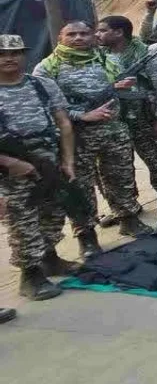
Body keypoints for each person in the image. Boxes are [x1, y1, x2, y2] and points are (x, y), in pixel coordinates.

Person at [0, 34, 96, 299]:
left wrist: (67, 161)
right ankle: (30, 276)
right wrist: (10, 162)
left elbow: (64, 123)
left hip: (48, 161)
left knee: (53, 213)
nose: (8, 58)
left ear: (24, 55)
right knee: (23, 220)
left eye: (15, 53)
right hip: (10, 170)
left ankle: (49, 259)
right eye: (2, 54)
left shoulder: (42, 84)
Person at [34, 22, 151, 238]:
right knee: (80, 185)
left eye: (84, 33)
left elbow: (113, 89)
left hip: (113, 130)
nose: (78, 38)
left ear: (93, 36)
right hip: (76, 137)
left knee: (121, 177)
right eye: (72, 34)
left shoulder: (106, 60)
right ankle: (86, 234)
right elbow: (44, 106)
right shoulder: (47, 68)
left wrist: (117, 87)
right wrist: (81, 115)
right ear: (60, 38)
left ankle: (128, 219)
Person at [96, 15, 157, 218]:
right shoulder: (98, 57)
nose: (97, 35)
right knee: (118, 169)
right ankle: (126, 209)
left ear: (119, 32)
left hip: (144, 118)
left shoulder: (145, 55)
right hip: (113, 121)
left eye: (103, 30)